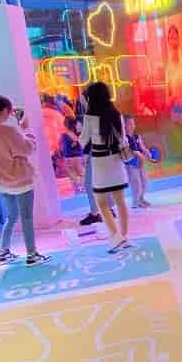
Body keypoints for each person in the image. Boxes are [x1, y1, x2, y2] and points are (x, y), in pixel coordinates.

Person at [0, 95, 51, 267]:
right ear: (4, 110)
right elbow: (28, 148)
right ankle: (32, 254)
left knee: (11, 216)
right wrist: (24, 128)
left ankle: (3, 251)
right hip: (20, 179)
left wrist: (13, 122)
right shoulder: (8, 131)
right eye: (8, 111)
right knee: (26, 217)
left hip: (1, 179)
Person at [79, 82, 130, 253]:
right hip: (116, 161)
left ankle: (116, 235)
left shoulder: (89, 117)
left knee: (101, 203)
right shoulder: (116, 114)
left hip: (100, 163)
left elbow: (83, 141)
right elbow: (123, 139)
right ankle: (124, 236)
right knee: (120, 202)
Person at [124, 115, 152, 209]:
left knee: (144, 182)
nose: (132, 125)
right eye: (129, 124)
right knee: (136, 184)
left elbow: (142, 147)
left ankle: (141, 199)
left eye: (133, 123)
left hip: (141, 162)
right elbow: (129, 151)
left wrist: (147, 152)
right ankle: (136, 202)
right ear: (124, 125)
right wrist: (138, 154)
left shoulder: (137, 136)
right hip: (132, 164)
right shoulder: (124, 138)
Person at [60, 117, 85, 193]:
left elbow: (63, 147)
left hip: (68, 158)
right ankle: (82, 188)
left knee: (72, 175)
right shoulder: (77, 135)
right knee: (81, 174)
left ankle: (77, 188)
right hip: (77, 157)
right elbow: (81, 144)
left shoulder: (63, 136)